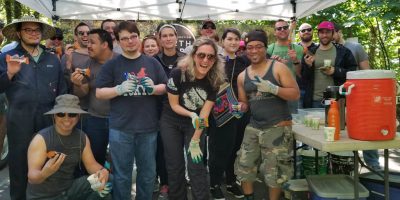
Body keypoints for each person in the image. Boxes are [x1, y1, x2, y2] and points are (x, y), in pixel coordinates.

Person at [96, 21, 168, 200]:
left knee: (148, 173)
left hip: (148, 127)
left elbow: (167, 87)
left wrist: (154, 88)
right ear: (119, 42)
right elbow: (99, 93)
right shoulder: (112, 65)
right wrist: (118, 89)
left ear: (139, 38)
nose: (130, 41)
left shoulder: (152, 62)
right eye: (125, 38)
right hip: (121, 128)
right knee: (121, 175)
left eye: (133, 36)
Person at [0, 15, 67, 200]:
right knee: (19, 163)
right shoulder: (7, 57)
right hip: (19, 119)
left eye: (36, 30)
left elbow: (62, 89)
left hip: (48, 117)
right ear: (19, 34)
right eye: (28, 30)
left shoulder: (52, 58)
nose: (33, 33)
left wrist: (61, 116)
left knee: (48, 160)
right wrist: (10, 74)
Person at [235, 29, 300, 200]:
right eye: (250, 47)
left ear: (266, 48)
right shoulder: (242, 76)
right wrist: (239, 107)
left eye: (258, 46)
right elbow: (245, 104)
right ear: (245, 49)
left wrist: (273, 88)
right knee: (244, 165)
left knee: (275, 171)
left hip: (278, 126)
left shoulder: (278, 67)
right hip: (254, 126)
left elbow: (295, 94)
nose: (254, 51)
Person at [161, 38, 225, 200]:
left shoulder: (214, 80)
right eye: (201, 55)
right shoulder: (178, 73)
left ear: (215, 60)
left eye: (210, 57)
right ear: (193, 55)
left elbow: (204, 115)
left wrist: (195, 140)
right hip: (171, 122)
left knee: (196, 165)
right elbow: (174, 105)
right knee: (175, 165)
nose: (205, 60)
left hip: (195, 124)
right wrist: (191, 114)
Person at [26, 94, 111, 200]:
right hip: (43, 196)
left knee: (105, 185)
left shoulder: (82, 137)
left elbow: (91, 165)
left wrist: (103, 171)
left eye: (72, 114)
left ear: (78, 116)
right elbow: (32, 178)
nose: (67, 119)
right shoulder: (41, 139)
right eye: (61, 114)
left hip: (69, 190)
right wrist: (44, 173)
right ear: (54, 116)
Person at [208, 28, 249, 200]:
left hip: (239, 111)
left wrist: (244, 103)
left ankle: (231, 181)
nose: (233, 42)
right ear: (222, 41)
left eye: (236, 39)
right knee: (218, 149)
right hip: (218, 111)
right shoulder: (214, 61)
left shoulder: (243, 62)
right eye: (229, 39)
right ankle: (214, 183)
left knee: (235, 148)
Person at [332, 23, 380, 170]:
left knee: (366, 127)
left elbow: (367, 71)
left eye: (330, 32)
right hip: (339, 95)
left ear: (339, 32)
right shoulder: (328, 50)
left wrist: (371, 93)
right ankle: (343, 167)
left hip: (359, 96)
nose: (326, 35)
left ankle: (373, 166)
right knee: (341, 131)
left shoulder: (355, 47)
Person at [71, 29, 118, 166]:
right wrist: (78, 84)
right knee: (95, 158)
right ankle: (97, 187)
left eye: (92, 42)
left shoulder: (121, 61)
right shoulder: (87, 64)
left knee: (117, 159)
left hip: (119, 120)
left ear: (104, 45)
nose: (88, 45)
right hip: (95, 119)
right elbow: (82, 93)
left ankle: (116, 186)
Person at [153, 24, 186, 198]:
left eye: (171, 35)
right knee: (162, 150)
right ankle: (164, 183)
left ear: (176, 37)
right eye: (164, 35)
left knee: (178, 151)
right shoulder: (154, 60)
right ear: (160, 38)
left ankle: (179, 182)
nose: (168, 38)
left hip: (181, 110)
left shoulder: (186, 59)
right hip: (159, 110)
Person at [301, 21, 357, 108]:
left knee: (335, 122)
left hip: (335, 99)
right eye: (322, 32)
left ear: (333, 33)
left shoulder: (343, 52)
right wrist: (308, 66)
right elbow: (304, 78)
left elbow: (353, 72)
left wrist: (336, 71)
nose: (324, 35)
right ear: (318, 34)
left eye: (327, 32)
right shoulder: (311, 52)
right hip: (314, 100)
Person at [267, 19, 303, 113]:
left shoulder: (298, 49)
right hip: (274, 93)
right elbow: (264, 72)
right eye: (279, 28)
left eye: (285, 27)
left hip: (292, 92)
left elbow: (300, 74)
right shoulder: (269, 49)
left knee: (293, 124)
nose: (282, 29)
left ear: (289, 29)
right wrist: (272, 63)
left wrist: (295, 60)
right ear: (275, 32)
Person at [62, 22, 91, 95]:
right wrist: (68, 62)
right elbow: (64, 82)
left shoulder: (97, 53)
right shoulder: (68, 55)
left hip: (96, 100)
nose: (85, 35)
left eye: (88, 33)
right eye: (81, 33)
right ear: (75, 36)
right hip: (77, 102)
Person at [297, 23, 317, 108]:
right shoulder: (294, 48)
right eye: (303, 30)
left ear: (312, 31)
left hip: (313, 91)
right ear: (299, 34)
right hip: (297, 89)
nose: (306, 32)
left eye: (309, 29)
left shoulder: (319, 48)